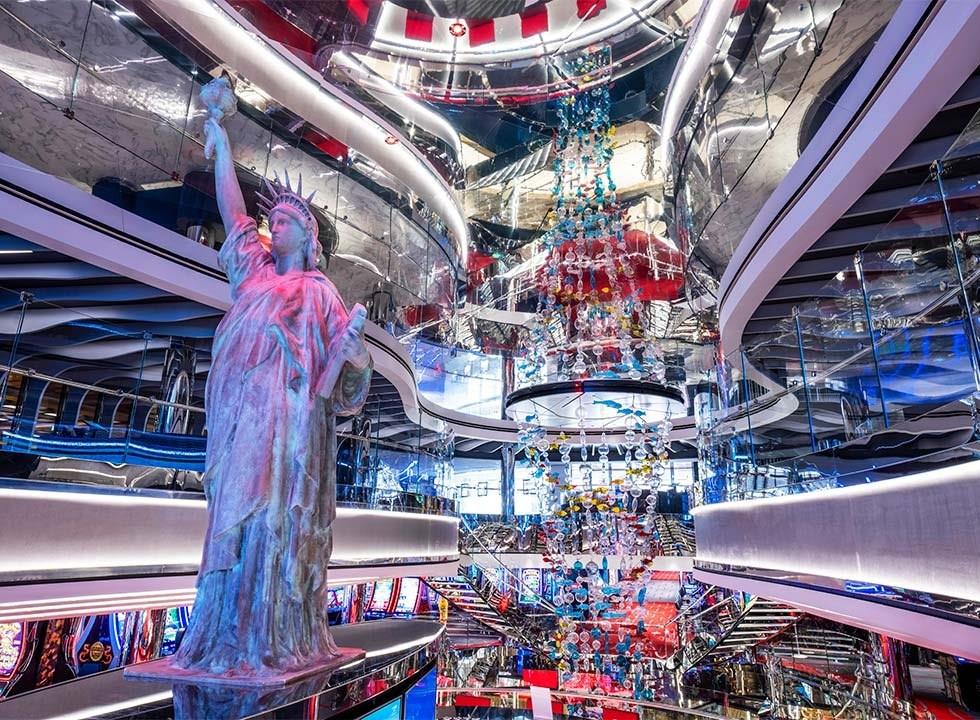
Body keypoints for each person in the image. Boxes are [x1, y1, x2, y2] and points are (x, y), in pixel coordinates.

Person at [171, 109, 372, 679]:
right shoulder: (255, 277)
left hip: (290, 423)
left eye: (283, 221)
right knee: (233, 516)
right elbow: (234, 216)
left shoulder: (320, 292)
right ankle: (225, 636)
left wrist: (357, 354)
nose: (272, 227)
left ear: (307, 236)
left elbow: (347, 387)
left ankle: (270, 634)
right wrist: (221, 146)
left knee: (273, 520)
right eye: (273, 221)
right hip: (240, 417)